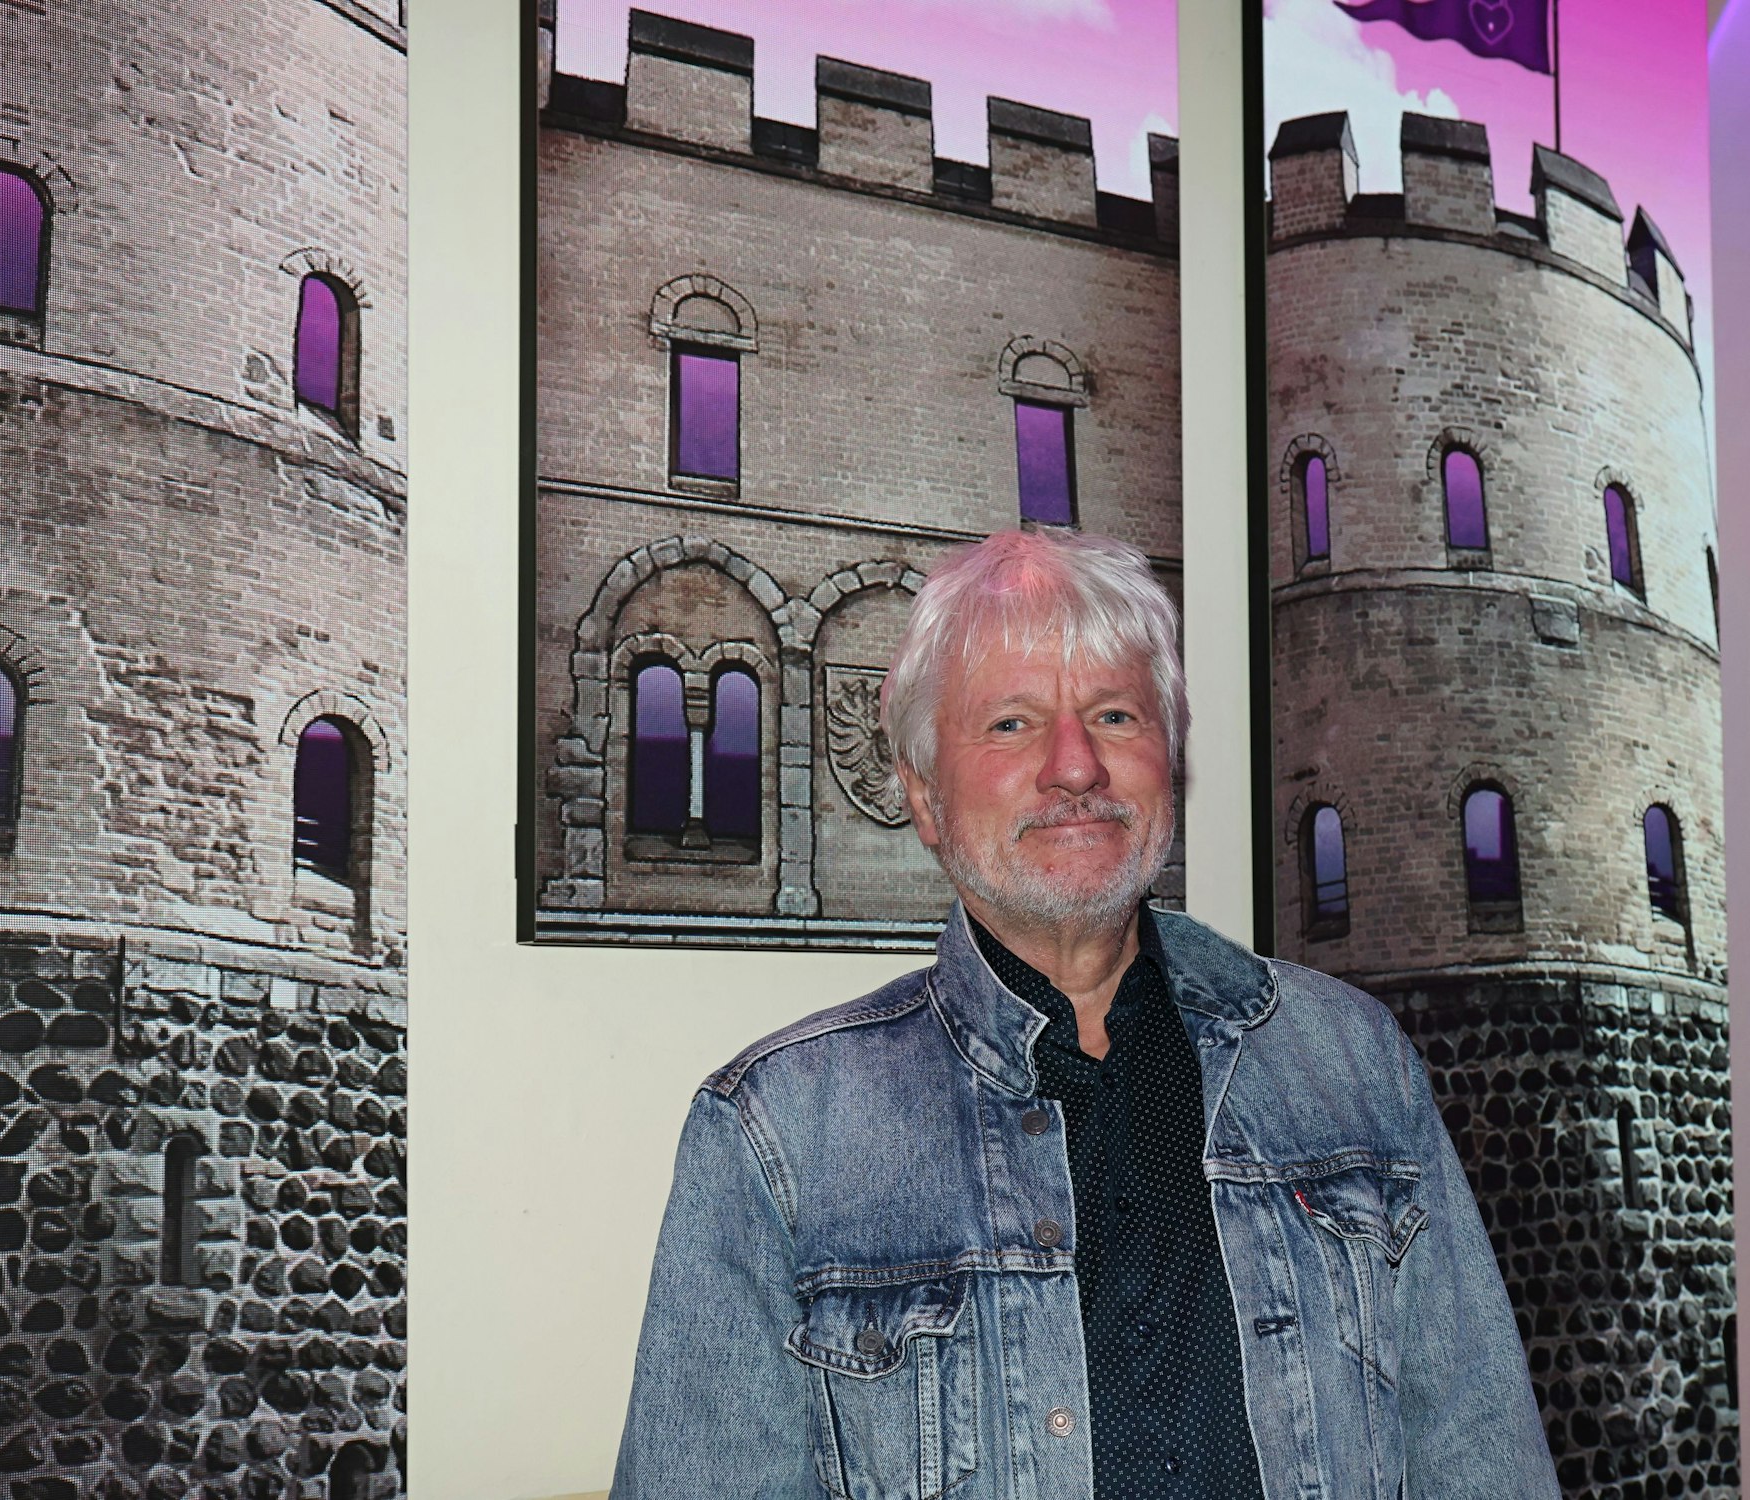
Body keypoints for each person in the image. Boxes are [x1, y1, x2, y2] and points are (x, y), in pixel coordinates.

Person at [611, 527, 1560, 1499]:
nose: (1075, 767)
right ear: (925, 796)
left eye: (1112, 715)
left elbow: (1483, 1461)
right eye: (1011, 724)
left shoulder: (1350, 1062)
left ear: (1167, 762)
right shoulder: (776, 1134)